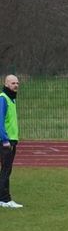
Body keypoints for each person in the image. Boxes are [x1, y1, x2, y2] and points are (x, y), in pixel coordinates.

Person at [0, 74, 23, 208]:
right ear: (6, 84)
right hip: (6, 142)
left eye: (17, 83)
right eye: (13, 83)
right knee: (6, 170)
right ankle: (5, 200)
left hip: (11, 140)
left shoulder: (11, 99)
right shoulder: (3, 99)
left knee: (6, 170)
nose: (16, 85)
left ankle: (3, 198)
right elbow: (0, 121)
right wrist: (5, 140)